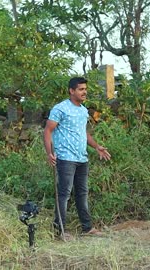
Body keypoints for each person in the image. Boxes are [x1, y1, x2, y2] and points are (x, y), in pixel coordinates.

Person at [43, 77, 111, 240]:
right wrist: (49, 153)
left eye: (85, 89)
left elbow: (83, 132)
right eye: (80, 89)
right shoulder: (60, 109)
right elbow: (47, 131)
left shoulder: (83, 110)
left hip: (82, 157)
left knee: (82, 193)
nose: (84, 92)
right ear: (71, 91)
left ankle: (87, 228)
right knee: (64, 193)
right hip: (65, 157)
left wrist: (96, 147)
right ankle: (59, 231)